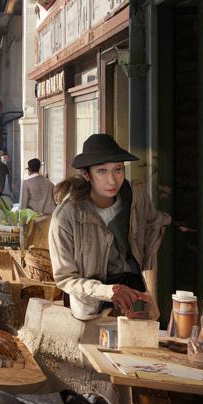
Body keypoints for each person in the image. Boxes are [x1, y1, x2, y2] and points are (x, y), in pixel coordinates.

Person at [48, 134, 170, 320]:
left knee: (138, 343)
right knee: (100, 346)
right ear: (86, 174)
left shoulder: (137, 200)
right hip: (93, 301)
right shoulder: (66, 216)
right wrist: (106, 291)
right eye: (102, 171)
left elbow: (153, 228)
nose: (112, 180)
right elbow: (65, 277)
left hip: (135, 290)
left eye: (118, 170)